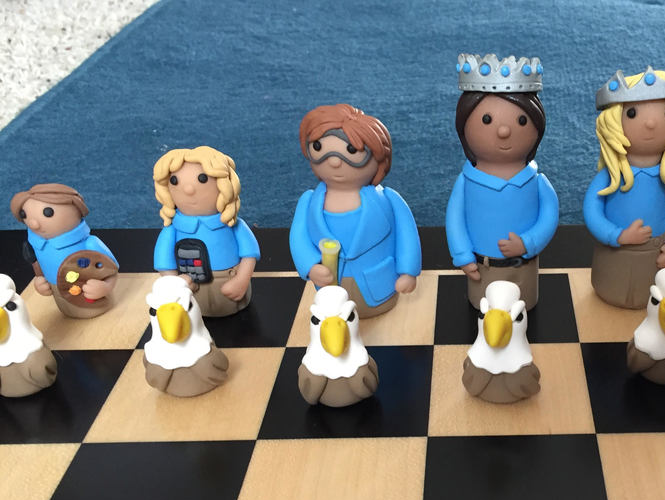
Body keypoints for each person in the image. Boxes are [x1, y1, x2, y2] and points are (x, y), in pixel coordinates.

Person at [446, 53, 558, 311]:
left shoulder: (537, 182)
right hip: (481, 269)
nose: (504, 131)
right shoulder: (466, 182)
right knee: (483, 312)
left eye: (521, 121)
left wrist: (528, 243)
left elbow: (549, 216)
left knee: (523, 309)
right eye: (487, 120)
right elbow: (455, 219)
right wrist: (462, 255)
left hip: (524, 268)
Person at [289, 103, 420, 318]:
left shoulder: (389, 200)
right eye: (319, 148)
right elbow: (298, 238)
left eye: (351, 151)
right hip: (331, 288)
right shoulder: (309, 202)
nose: (334, 161)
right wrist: (310, 266)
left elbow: (407, 236)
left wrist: (408, 271)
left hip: (380, 286)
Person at [584, 63, 665, 309]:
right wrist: (616, 235)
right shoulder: (610, 175)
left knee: (653, 294)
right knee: (611, 284)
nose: (651, 124)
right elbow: (591, 209)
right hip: (614, 252)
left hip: (656, 252)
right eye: (633, 113)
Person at [153, 145, 260, 317]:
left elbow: (250, 254)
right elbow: (164, 263)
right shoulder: (171, 230)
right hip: (192, 288)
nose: (188, 190)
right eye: (175, 181)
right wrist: (176, 285)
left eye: (202, 179)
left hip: (230, 283)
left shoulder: (232, 223)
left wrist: (241, 280)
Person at [10, 183, 118, 318]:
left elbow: (112, 270)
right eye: (24, 214)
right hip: (62, 302)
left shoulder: (90, 244)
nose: (33, 224)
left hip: (95, 299)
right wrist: (41, 283)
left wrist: (105, 287)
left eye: (48, 212)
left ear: (77, 210)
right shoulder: (36, 245)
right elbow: (40, 271)